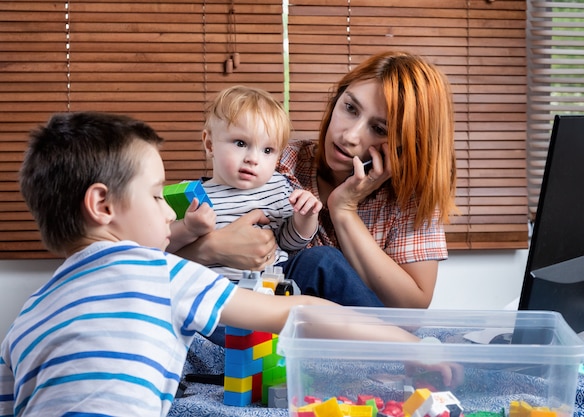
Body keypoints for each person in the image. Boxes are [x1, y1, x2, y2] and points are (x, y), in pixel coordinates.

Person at [1, 111, 448, 417]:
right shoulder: (163, 274)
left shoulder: (25, 318)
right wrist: (406, 345)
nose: (169, 212)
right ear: (102, 204)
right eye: (158, 195)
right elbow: (300, 312)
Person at [176, 51, 457, 309]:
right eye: (350, 108)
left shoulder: (410, 197)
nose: (349, 136)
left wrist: (344, 210)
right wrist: (212, 248)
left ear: (405, 145)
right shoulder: (276, 163)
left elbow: (412, 309)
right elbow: (142, 250)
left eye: (378, 128)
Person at [167, 85, 322, 281]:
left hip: (275, 283)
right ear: (210, 144)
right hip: (216, 290)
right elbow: (160, 247)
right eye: (241, 143)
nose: (253, 159)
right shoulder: (190, 195)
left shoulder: (279, 186)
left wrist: (305, 217)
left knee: (323, 258)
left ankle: (366, 311)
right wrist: (187, 228)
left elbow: (289, 242)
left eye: (267, 150)